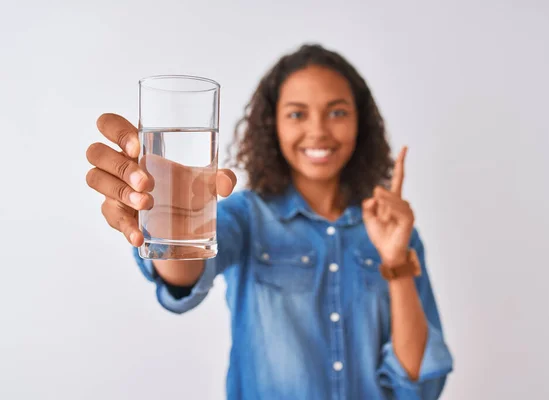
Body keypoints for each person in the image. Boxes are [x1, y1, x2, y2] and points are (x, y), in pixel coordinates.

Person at [85, 44, 453, 400]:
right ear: (272, 124)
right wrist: (162, 213)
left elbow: (419, 387)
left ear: (361, 123)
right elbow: (183, 276)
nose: (319, 131)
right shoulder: (245, 216)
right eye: (297, 113)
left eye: (337, 112)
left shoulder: (395, 231)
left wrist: (396, 262)